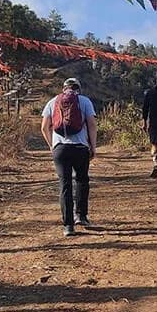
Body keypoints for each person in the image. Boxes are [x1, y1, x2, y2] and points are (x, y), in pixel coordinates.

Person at [41, 77, 98, 236]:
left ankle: (68, 226)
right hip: (80, 148)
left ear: (63, 88)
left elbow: (44, 127)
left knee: (65, 185)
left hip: (60, 149)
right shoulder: (85, 101)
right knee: (82, 180)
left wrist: (52, 146)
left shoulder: (52, 102)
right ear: (78, 89)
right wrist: (93, 147)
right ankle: (81, 216)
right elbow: (92, 125)